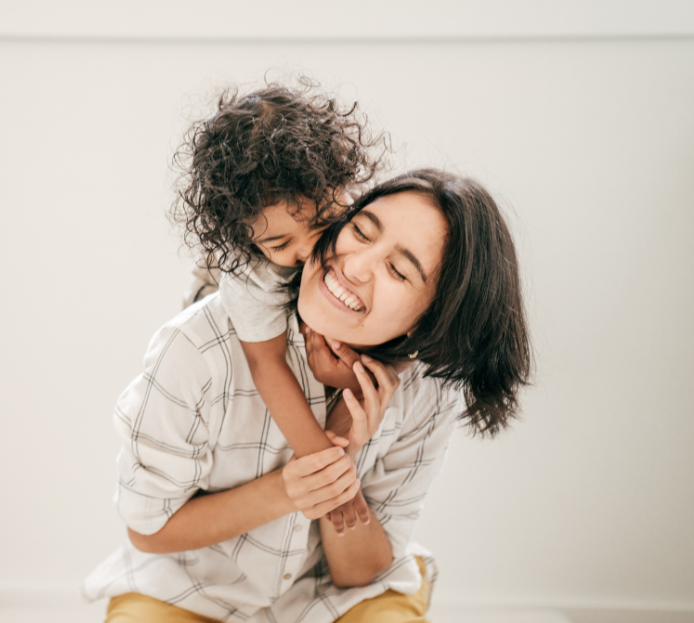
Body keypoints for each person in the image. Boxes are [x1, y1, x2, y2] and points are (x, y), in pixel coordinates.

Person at [83, 169, 532, 623]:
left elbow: (362, 572)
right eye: (359, 230)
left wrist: (346, 446)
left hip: (332, 598)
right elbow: (149, 531)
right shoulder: (199, 346)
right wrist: (292, 486)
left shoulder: (427, 392)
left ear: (428, 321)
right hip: (188, 588)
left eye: (397, 270)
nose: (354, 266)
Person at [171, 82, 385, 532]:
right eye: (280, 243)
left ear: (343, 186)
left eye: (325, 223)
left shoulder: (370, 218)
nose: (310, 250)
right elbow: (265, 364)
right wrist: (326, 469)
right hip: (215, 288)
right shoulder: (251, 272)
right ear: (249, 240)